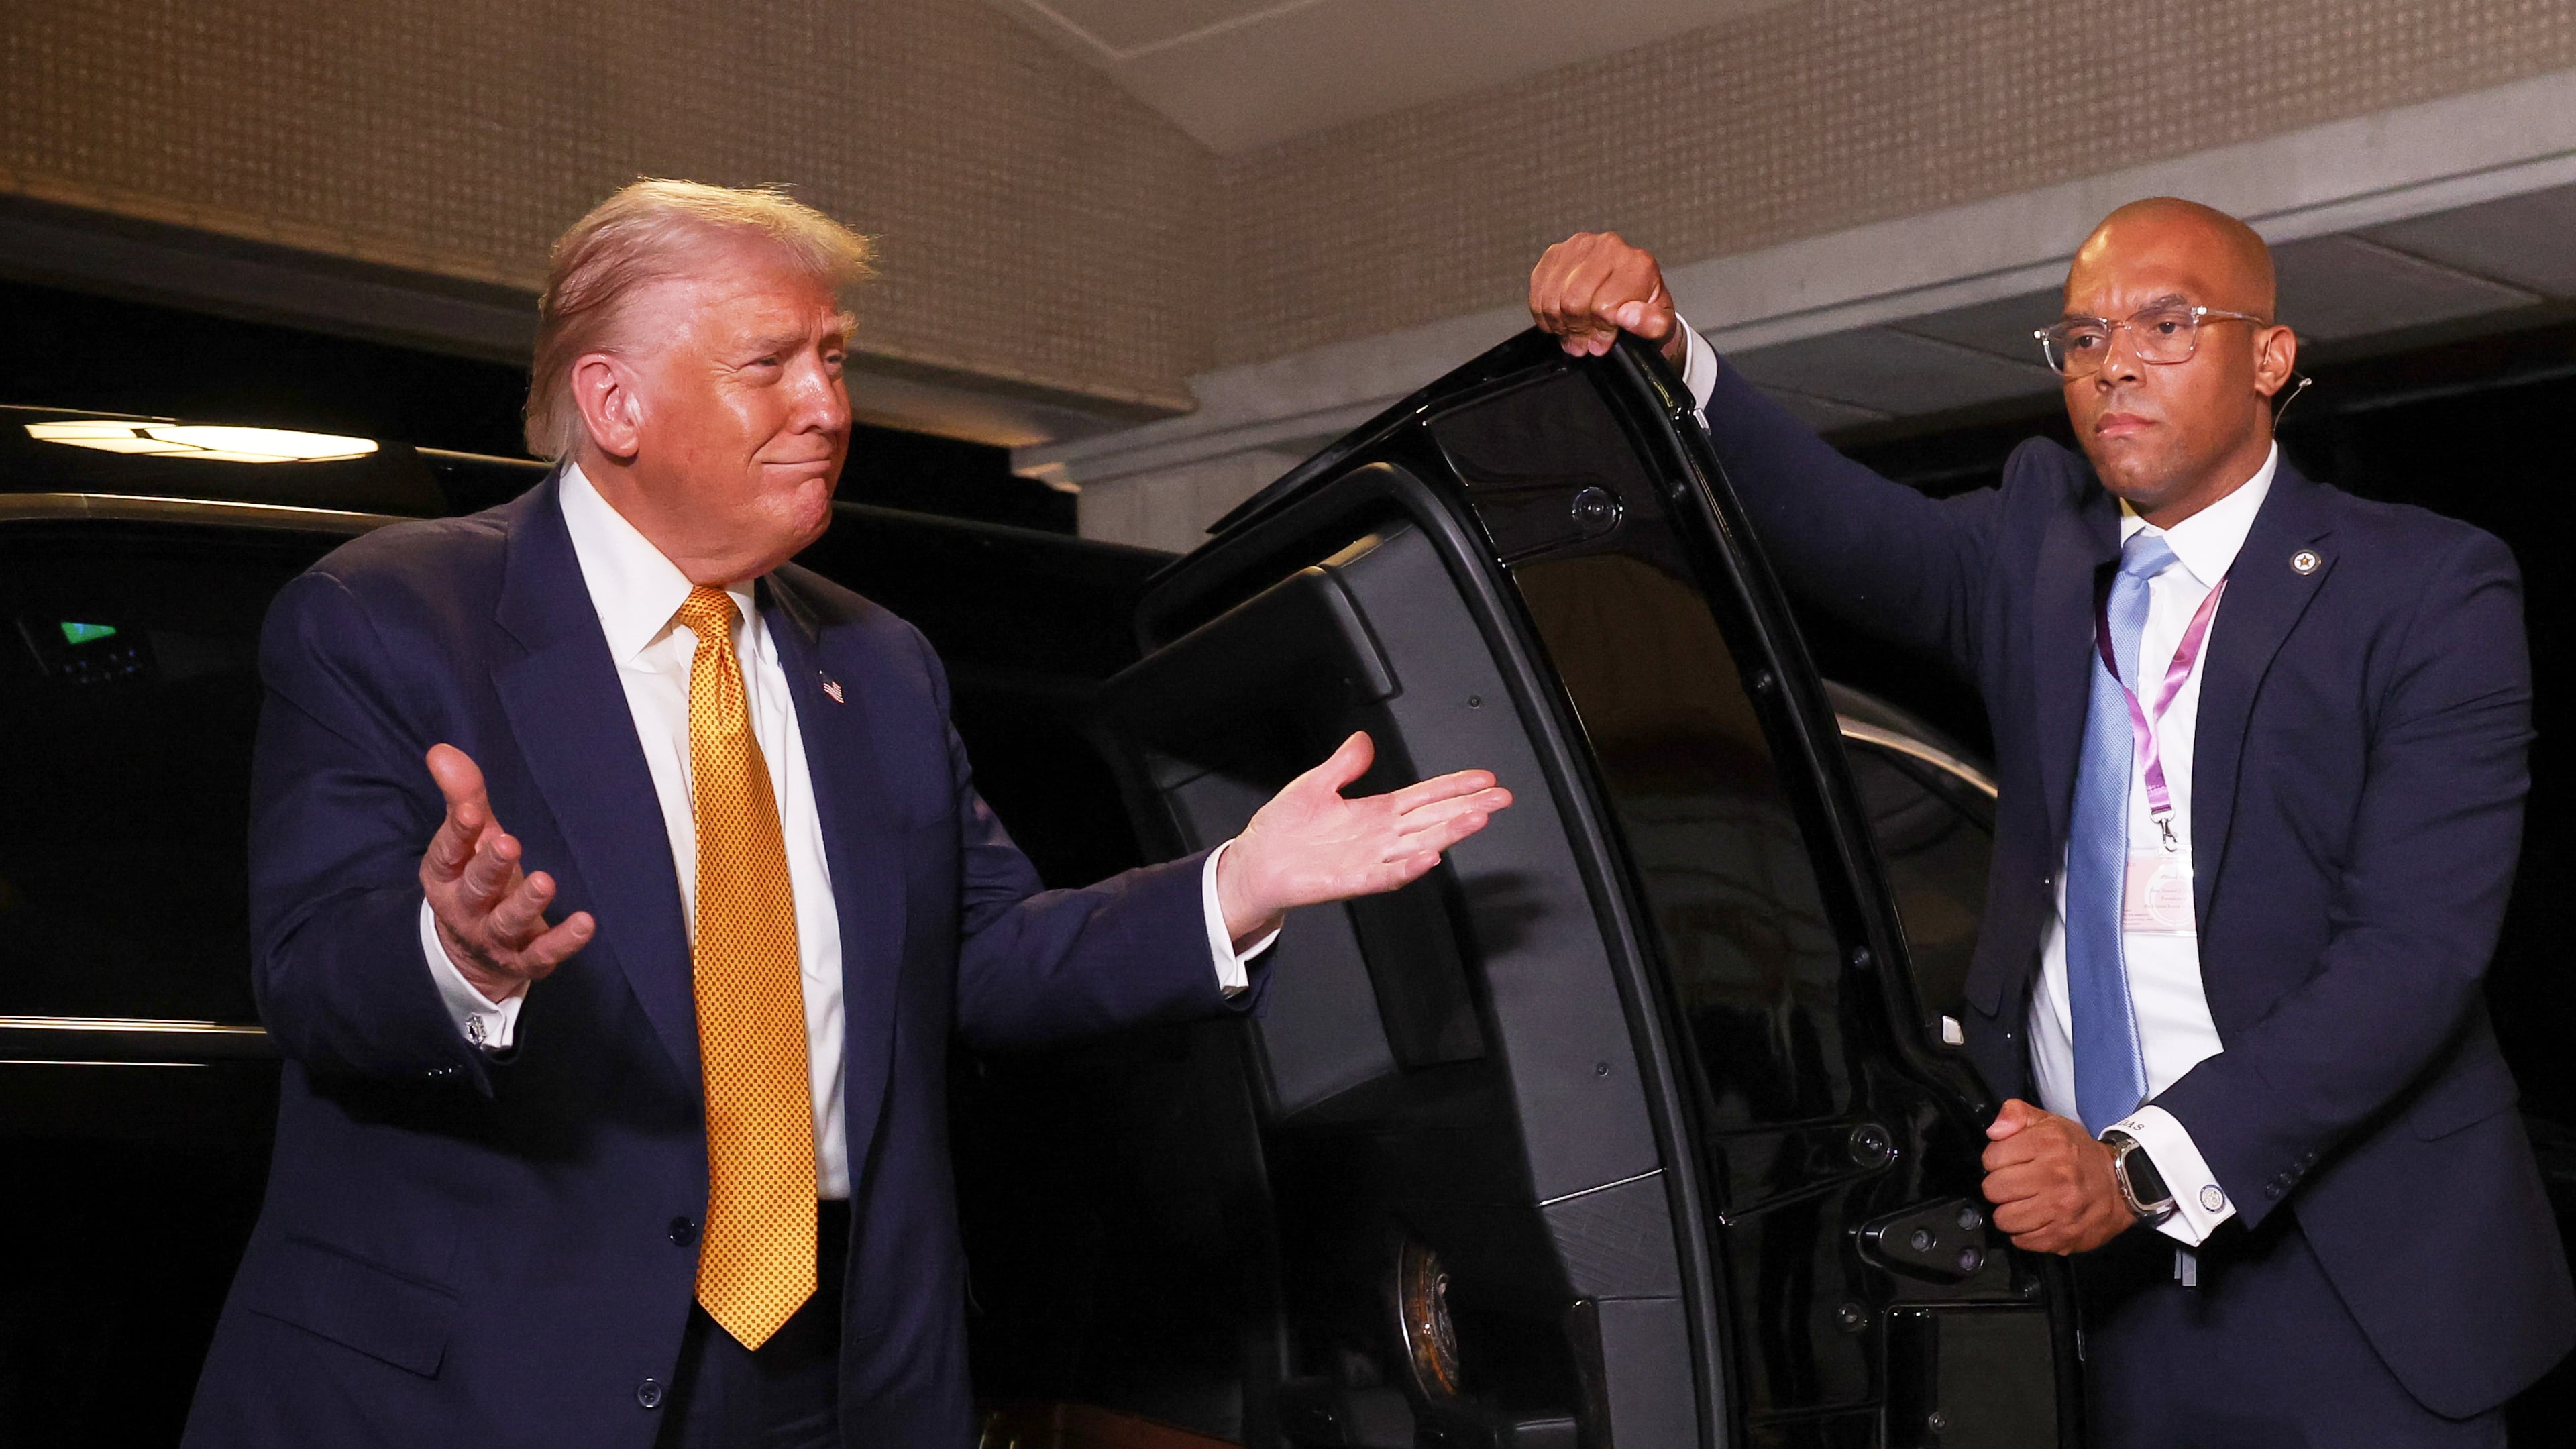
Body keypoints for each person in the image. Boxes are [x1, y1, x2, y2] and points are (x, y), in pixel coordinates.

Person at [184, 179, 1513, 1449]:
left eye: (833, 359)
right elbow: (311, 975)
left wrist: (1238, 886)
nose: (826, 406)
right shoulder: (393, 615)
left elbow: (985, 957)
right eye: (768, 364)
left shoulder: (877, 664)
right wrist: (456, 955)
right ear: (614, 401)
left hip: (829, 1374)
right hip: (494, 1374)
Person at [1529, 199, 2572, 1444]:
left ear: (2270, 358)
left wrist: (2136, 1170)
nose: (2114, 362)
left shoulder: (2425, 586)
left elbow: (2413, 957)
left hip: (2358, 1271)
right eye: (2083, 336)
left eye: (2167, 325)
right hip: (2094, 1287)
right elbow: (1838, 523)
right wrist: (1670, 354)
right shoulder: (2035, 547)